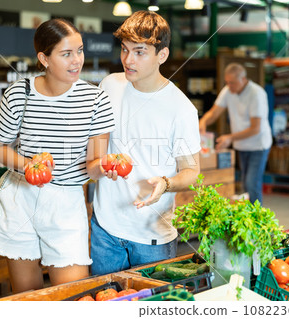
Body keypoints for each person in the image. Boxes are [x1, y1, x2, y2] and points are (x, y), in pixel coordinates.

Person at [0, 18, 115, 293]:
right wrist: (28, 165)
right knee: (28, 295)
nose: (76, 60)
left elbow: (92, 165)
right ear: (43, 58)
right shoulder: (19, 93)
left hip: (66, 203)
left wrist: (104, 167)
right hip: (21, 199)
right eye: (66, 54)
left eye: (79, 51)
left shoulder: (96, 100)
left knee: (72, 295)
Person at [91, 11, 201, 276]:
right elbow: (95, 156)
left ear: (161, 55)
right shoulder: (109, 86)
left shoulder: (181, 108)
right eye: (125, 50)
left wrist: (166, 183)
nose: (128, 60)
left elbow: (192, 172)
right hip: (104, 229)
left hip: (152, 235)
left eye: (139, 52)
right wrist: (101, 165)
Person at [199, 63, 272, 204]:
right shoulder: (228, 91)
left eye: (232, 83)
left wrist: (230, 138)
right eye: (227, 82)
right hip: (242, 145)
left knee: (252, 184)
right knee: (245, 185)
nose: (229, 86)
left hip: (258, 145)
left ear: (243, 79)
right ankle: (248, 219)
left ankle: (257, 222)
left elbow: (256, 128)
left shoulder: (256, 94)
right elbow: (214, 112)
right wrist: (203, 122)